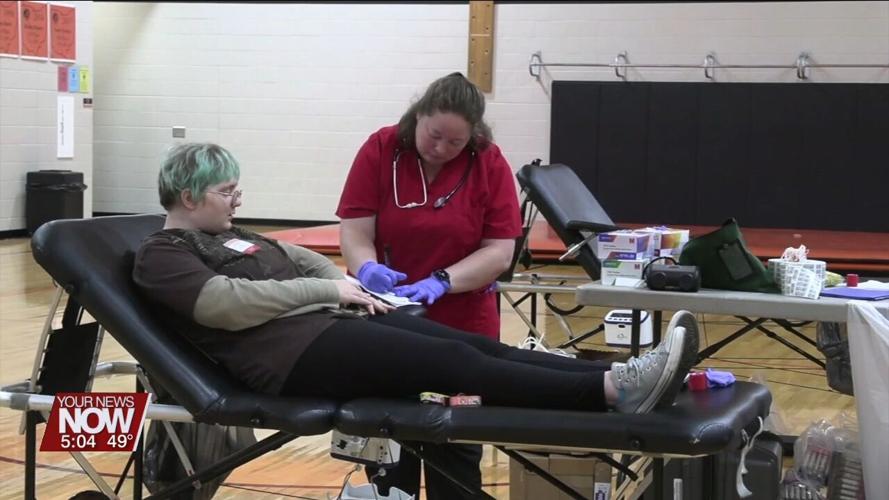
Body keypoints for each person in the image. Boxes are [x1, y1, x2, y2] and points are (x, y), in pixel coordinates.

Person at [132, 143, 700, 497]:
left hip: (328, 328)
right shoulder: (163, 254)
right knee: (455, 364)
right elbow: (221, 304)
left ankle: (621, 376)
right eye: (227, 191)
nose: (238, 199)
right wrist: (326, 287)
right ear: (189, 194)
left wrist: (356, 282)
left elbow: (295, 259)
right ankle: (612, 393)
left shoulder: (232, 236)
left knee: (475, 348)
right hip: (289, 359)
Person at [335, 72, 522, 497]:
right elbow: (356, 231)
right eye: (434, 135)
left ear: (473, 136)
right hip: (387, 320)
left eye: (455, 142)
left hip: (462, 325)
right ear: (417, 116)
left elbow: (499, 251)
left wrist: (443, 281)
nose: (441, 149)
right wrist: (365, 269)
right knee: (388, 454)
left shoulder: (488, 162)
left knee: (455, 456)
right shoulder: (380, 149)